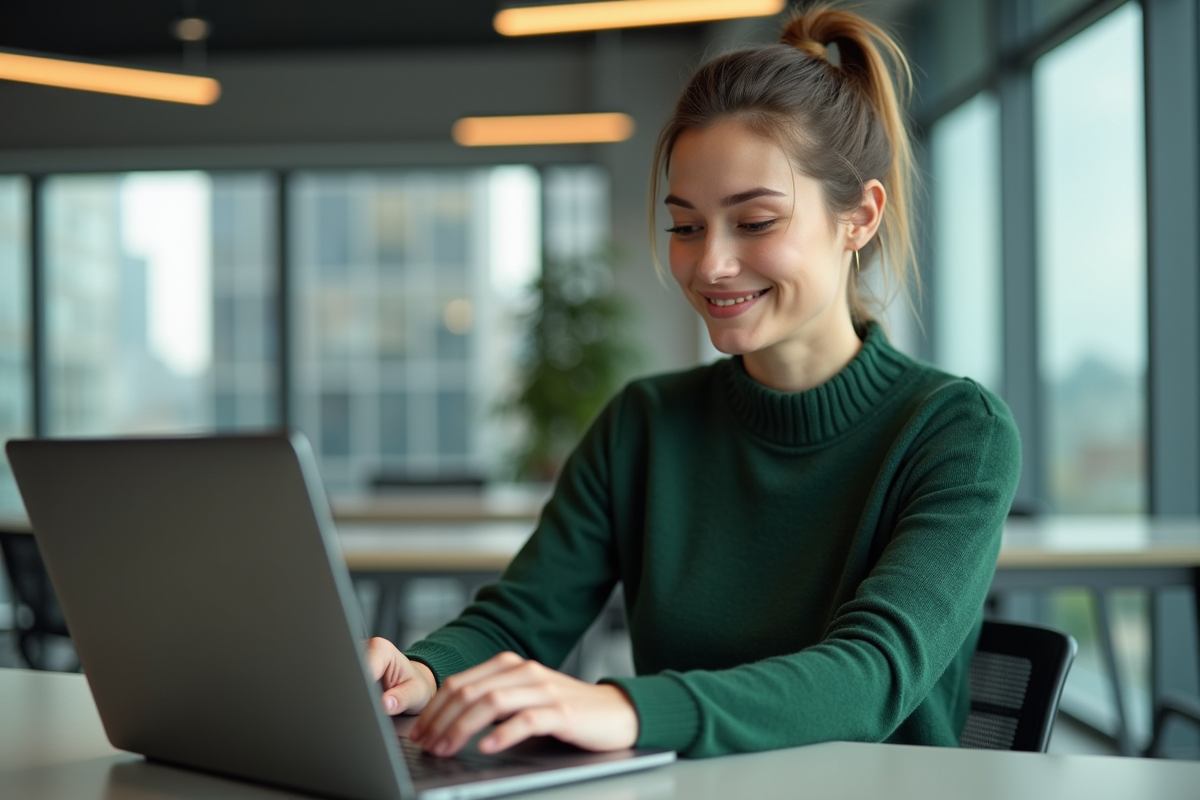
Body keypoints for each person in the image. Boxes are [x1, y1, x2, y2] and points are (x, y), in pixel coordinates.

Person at [365, 2, 1021, 759]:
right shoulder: (644, 425)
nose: (710, 263)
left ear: (860, 217)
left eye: (755, 221)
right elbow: (520, 619)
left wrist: (626, 710)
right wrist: (421, 672)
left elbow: (871, 677)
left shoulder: (957, 432)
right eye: (685, 225)